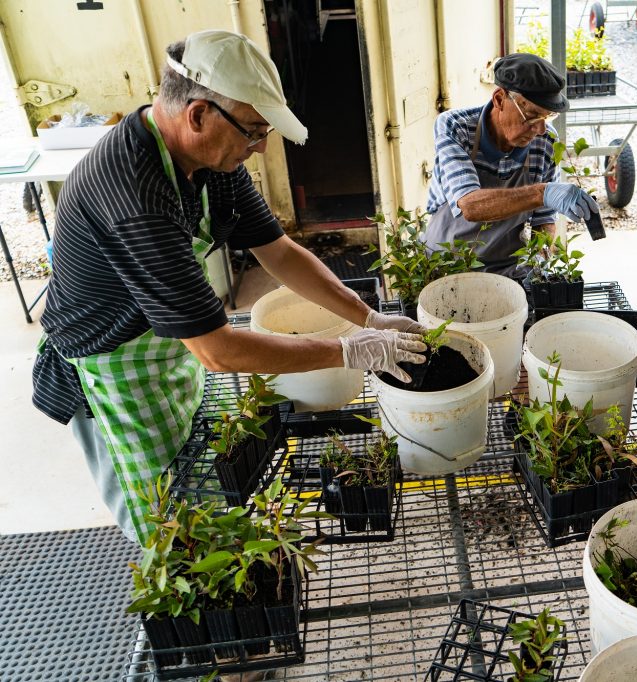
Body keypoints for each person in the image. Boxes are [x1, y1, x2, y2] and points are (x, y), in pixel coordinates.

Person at [31, 30, 426, 543]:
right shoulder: (134, 194)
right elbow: (216, 350)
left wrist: (366, 317)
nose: (261, 148)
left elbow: (278, 251)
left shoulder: (209, 162)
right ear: (198, 115)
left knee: (201, 479)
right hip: (112, 367)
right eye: (255, 131)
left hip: (167, 344)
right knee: (165, 523)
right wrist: (347, 353)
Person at [423, 52, 599, 278]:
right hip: (446, 265)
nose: (540, 130)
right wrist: (542, 192)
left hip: (506, 268)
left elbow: (543, 219)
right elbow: (469, 205)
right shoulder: (455, 127)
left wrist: (539, 257)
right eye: (533, 115)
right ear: (499, 99)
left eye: (547, 117)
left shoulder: (545, 141)